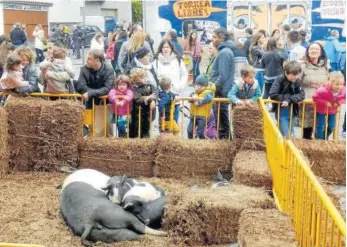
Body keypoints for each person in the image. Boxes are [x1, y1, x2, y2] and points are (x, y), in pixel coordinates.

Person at [210, 28, 235, 139]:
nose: (212, 39)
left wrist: (213, 87)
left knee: (221, 119)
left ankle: (225, 140)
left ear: (221, 38)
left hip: (222, 91)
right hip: (222, 90)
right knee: (221, 118)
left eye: (214, 37)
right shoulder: (224, 51)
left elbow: (223, 75)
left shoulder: (224, 52)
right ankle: (224, 139)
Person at [301, 42, 330, 139]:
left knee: (322, 128)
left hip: (322, 103)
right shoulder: (302, 65)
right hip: (307, 102)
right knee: (307, 130)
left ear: (321, 52)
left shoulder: (325, 65)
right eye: (312, 49)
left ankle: (319, 148)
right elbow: (296, 83)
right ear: (307, 51)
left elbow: (329, 81)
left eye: (317, 49)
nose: (314, 51)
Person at [269, 61, 305, 137]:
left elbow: (301, 94)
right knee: (285, 134)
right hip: (282, 111)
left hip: (293, 111)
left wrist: (289, 100)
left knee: (289, 133)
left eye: (297, 75)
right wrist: (286, 99)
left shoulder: (297, 80)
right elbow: (273, 93)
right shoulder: (280, 79)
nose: (295, 77)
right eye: (292, 75)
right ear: (286, 72)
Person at [312, 72, 346, 140]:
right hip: (321, 110)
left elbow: (344, 98)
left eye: (341, 84)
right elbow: (314, 97)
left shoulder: (343, 90)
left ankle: (324, 137)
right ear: (331, 83)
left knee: (331, 126)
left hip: (332, 110)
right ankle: (319, 140)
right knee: (321, 126)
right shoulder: (322, 90)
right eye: (337, 84)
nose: (339, 86)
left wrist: (339, 102)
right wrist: (325, 102)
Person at [129, 68, 156, 138]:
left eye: (145, 77)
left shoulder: (150, 85)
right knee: (135, 129)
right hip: (136, 113)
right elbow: (136, 99)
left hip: (147, 113)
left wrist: (152, 100)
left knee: (146, 129)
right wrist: (146, 98)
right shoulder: (133, 88)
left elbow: (155, 93)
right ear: (135, 79)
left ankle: (145, 141)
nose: (145, 79)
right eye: (142, 77)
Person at [187, 74, 214, 139]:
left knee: (200, 132)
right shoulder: (194, 93)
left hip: (202, 116)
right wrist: (192, 98)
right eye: (197, 85)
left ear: (205, 86)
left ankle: (203, 143)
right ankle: (190, 143)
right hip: (193, 115)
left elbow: (209, 98)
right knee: (189, 131)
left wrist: (199, 102)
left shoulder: (208, 92)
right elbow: (189, 100)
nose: (198, 87)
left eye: (201, 86)